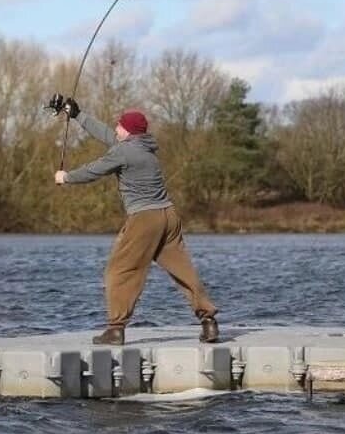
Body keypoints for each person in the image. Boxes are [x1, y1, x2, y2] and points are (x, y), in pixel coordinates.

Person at [48, 93, 219, 346]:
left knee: (119, 271)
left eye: (120, 125)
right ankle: (209, 322)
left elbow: (95, 169)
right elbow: (108, 136)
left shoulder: (125, 153)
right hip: (168, 217)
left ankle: (116, 329)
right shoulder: (144, 149)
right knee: (183, 270)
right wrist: (78, 116)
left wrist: (66, 177)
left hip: (144, 219)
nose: (116, 127)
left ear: (128, 131)